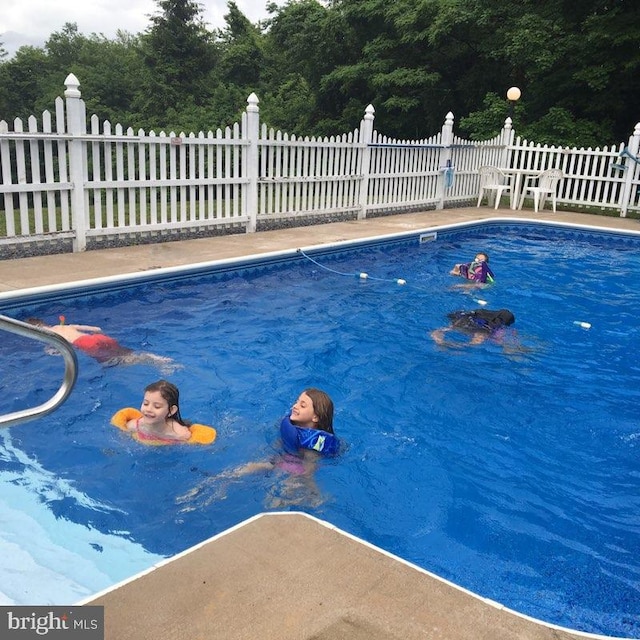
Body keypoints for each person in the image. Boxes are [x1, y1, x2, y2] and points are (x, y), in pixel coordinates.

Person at [177, 388, 339, 509]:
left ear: (315, 417)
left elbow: (308, 471)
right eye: (297, 401)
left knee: (272, 501)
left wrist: (309, 490)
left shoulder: (313, 444)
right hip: (278, 461)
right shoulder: (292, 427)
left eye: (302, 405)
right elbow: (280, 445)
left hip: (294, 472)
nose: (295, 406)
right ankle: (218, 483)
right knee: (242, 470)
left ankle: (315, 501)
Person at [25, 316, 179, 372]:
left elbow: (60, 350)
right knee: (127, 354)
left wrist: (51, 351)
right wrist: (99, 337)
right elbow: (96, 329)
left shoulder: (49, 336)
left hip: (86, 343)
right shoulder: (64, 326)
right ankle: (159, 359)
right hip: (98, 338)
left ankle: (156, 363)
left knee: (119, 362)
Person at [111, 380, 217, 445]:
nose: (148, 409)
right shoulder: (135, 425)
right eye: (146, 403)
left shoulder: (179, 434)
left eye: (157, 406)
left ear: (171, 411)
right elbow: (122, 438)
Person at [431, 308, 515, 347]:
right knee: (474, 343)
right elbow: (499, 341)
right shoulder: (497, 325)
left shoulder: (483, 312)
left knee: (448, 329)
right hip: (478, 328)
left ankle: (438, 338)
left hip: (463, 320)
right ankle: (448, 344)